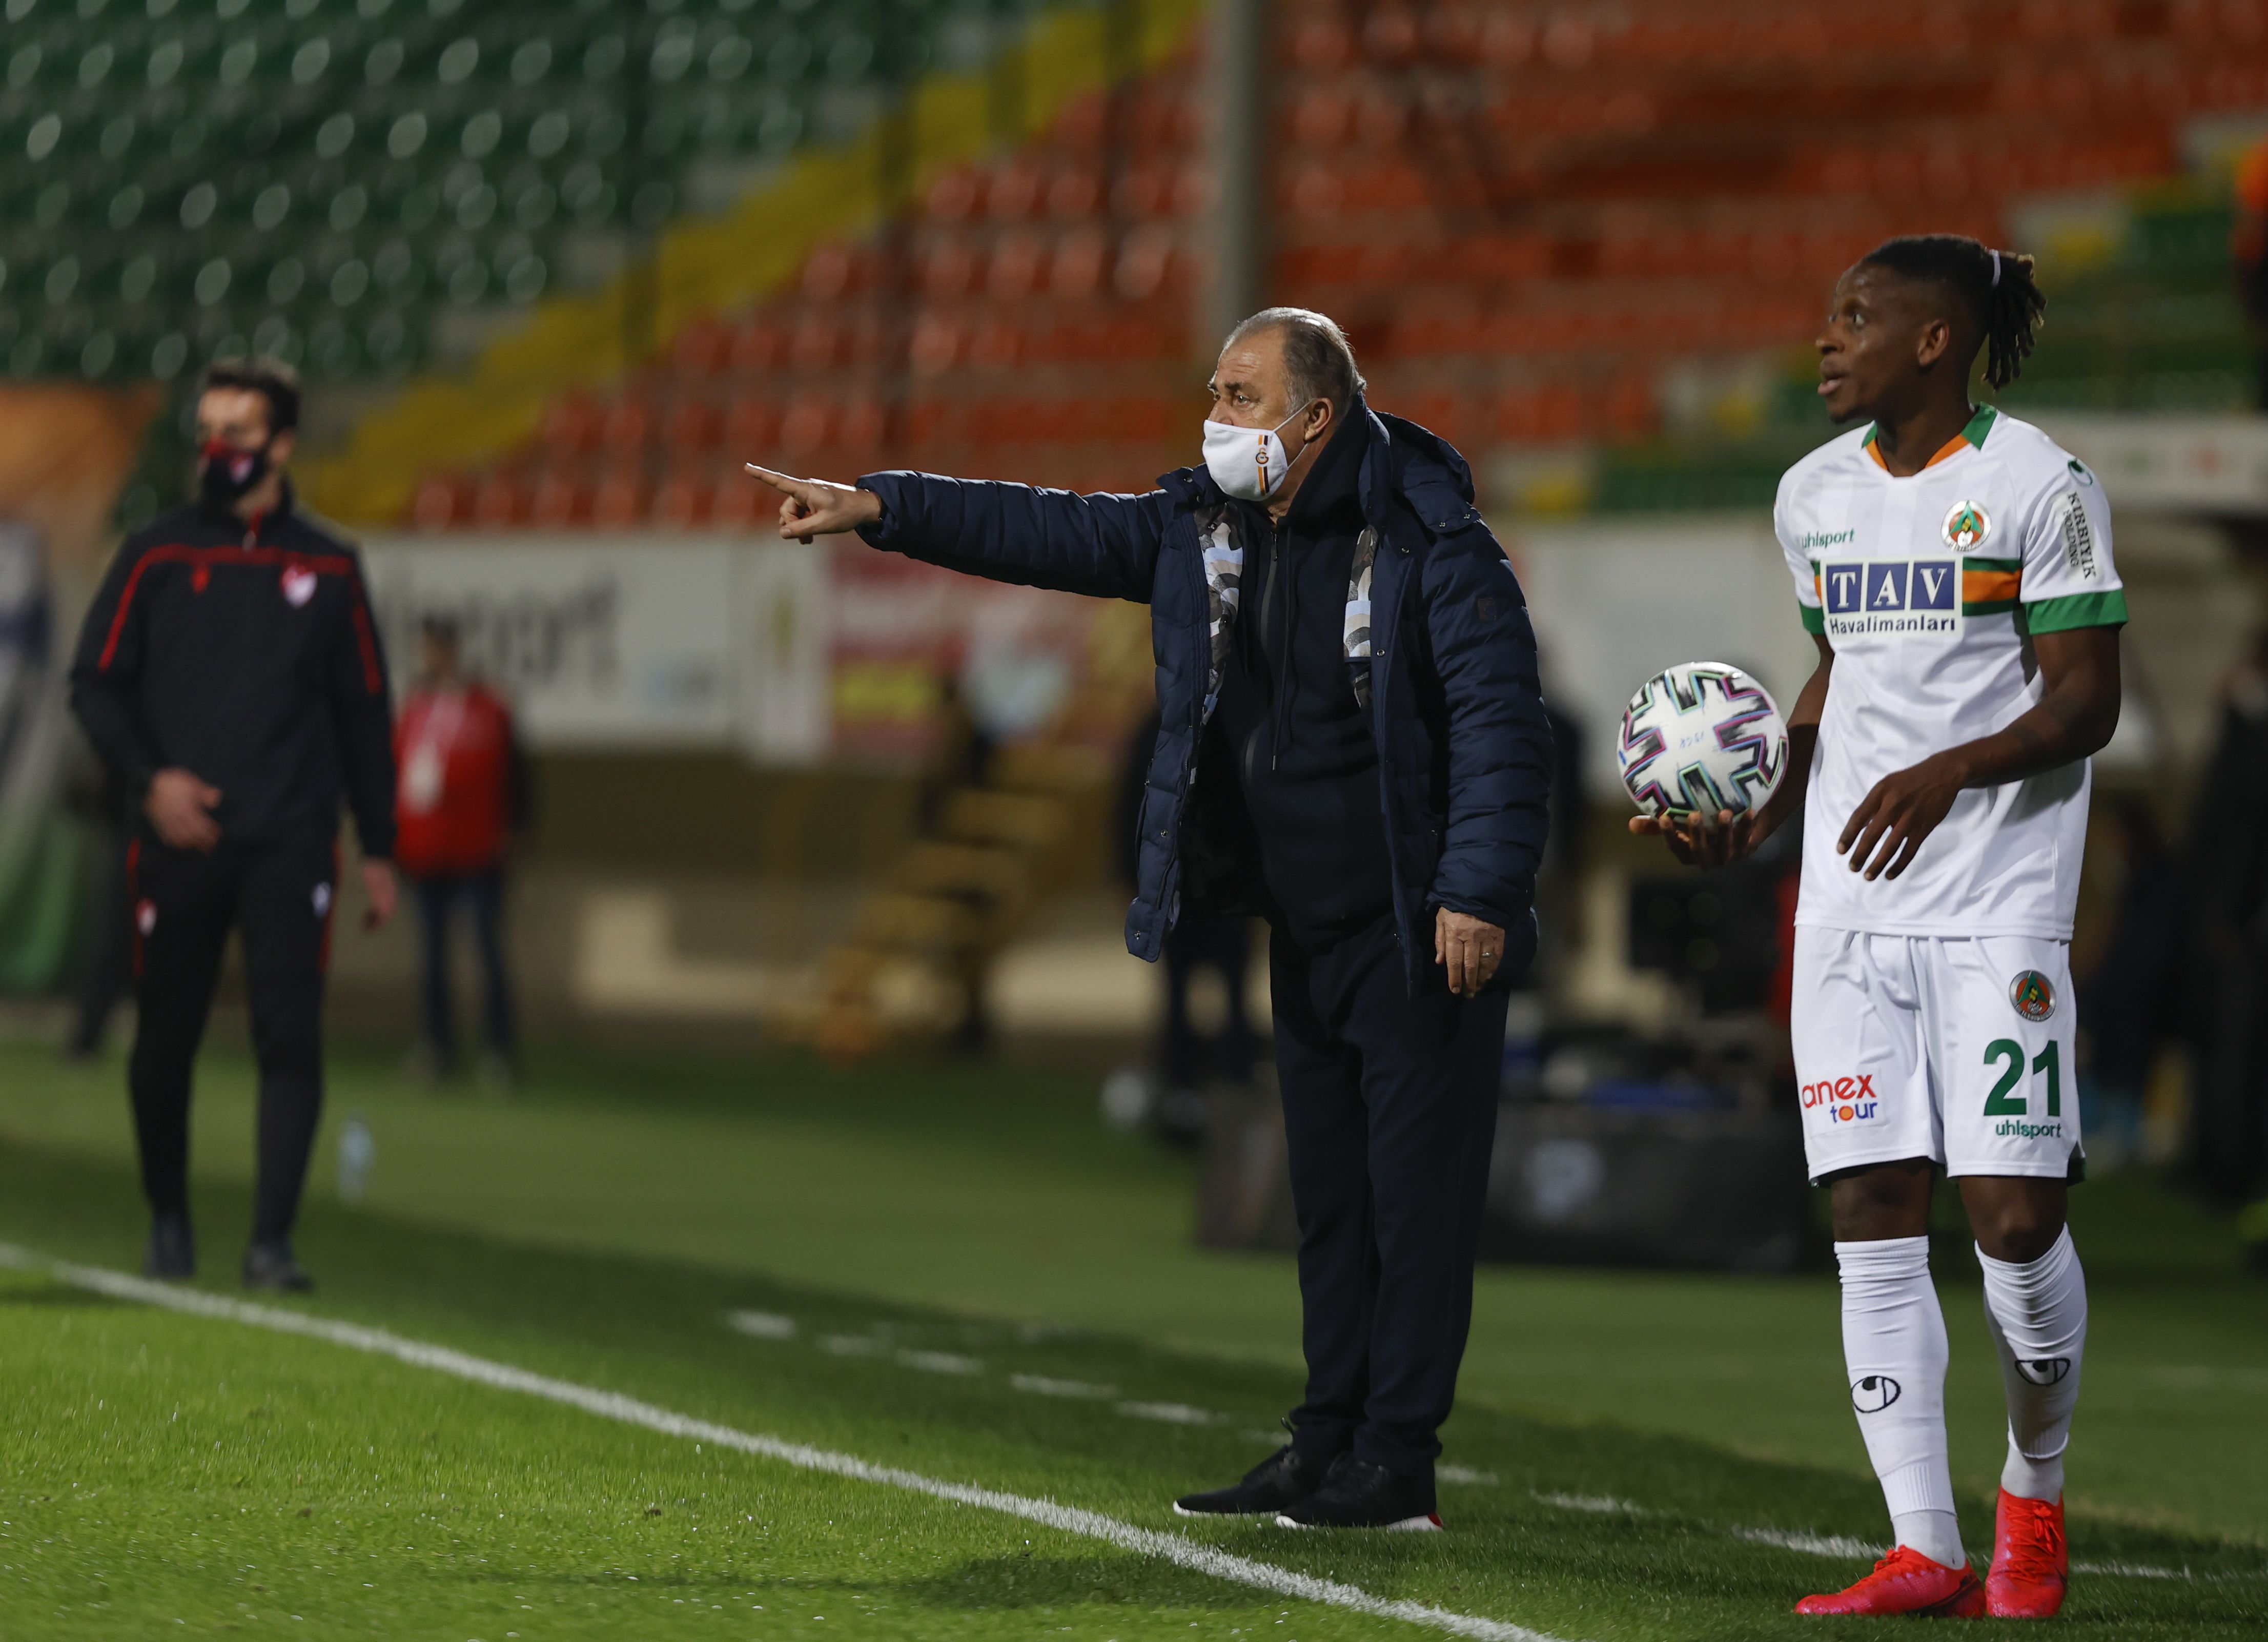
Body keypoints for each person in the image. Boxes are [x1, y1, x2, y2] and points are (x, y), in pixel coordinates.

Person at [749, 308, 1552, 1531]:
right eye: (1216, 393)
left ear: (1315, 419)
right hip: (1309, 923)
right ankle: (1325, 1437)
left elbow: (1504, 725)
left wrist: (1478, 890)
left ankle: (1400, 1461)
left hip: (1415, 929)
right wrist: (883, 506)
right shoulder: (1214, 528)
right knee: (1331, 1202)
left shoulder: (1436, 544)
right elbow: (1052, 528)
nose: (1216, 417)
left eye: (1241, 396)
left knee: (1416, 1203)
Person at [1635, 236, 2122, 1619]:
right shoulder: (1812, 497)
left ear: (1934, 339)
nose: (1824, 341)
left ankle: (2034, 1486)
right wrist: (1758, 799)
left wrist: (1950, 770)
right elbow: (1846, 674)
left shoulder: (2038, 481)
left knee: (2015, 1217)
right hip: (1851, 902)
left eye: (1856, 317)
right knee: (1870, 1203)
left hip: (1996, 901)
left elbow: (2088, 699)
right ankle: (1923, 1541)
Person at [69, 358, 398, 1292]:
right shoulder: (155, 553)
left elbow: (365, 710)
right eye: (206, 429)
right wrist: (151, 779)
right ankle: (168, 1219)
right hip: (176, 841)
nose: (217, 449)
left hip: (292, 840)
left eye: (238, 432)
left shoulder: (331, 564)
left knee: (289, 1039)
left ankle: (271, 1241)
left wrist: (379, 845)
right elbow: (93, 681)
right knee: (164, 1038)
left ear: (282, 444)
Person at [394, 614, 527, 1088]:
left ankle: (498, 1051)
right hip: (425, 853)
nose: (429, 658)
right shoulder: (415, 707)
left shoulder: (488, 707)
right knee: (431, 958)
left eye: (435, 648)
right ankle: (437, 1048)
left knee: (487, 953)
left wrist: (513, 833)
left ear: (452, 650)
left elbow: (517, 775)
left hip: (477, 854)